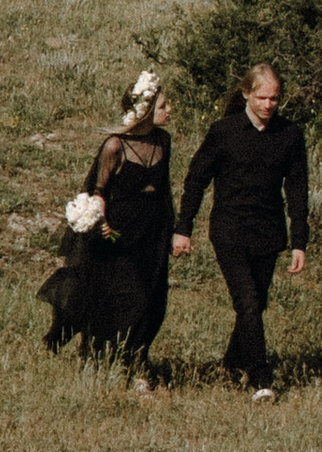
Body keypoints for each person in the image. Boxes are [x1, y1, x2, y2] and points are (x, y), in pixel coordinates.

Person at [171, 59, 306, 399]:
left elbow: (297, 191)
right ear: (246, 93)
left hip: (268, 232)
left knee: (256, 304)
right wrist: (183, 228)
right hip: (229, 230)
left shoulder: (290, 135)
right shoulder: (224, 132)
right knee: (246, 302)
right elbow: (196, 180)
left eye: (275, 99)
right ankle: (261, 378)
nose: (269, 105)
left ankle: (232, 364)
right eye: (262, 98)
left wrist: (299, 241)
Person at [40, 72, 177, 389]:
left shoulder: (163, 142)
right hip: (119, 232)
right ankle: (102, 361)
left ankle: (138, 363)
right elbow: (98, 189)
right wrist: (100, 222)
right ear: (144, 110)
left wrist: (172, 229)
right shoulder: (115, 146)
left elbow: (165, 188)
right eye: (164, 106)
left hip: (152, 228)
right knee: (123, 298)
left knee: (153, 298)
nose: (169, 112)